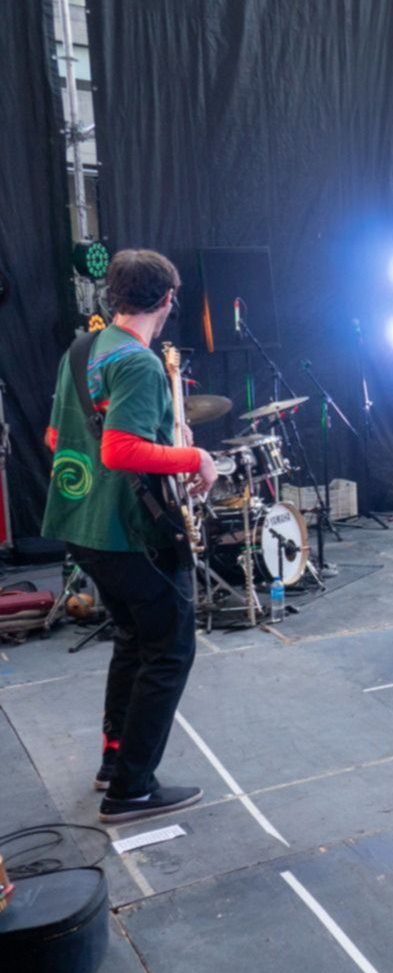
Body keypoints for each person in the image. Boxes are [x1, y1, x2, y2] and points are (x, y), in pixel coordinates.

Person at [42, 249, 217, 823]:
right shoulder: (139, 364)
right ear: (168, 298)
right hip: (127, 533)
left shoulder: (83, 349)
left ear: (113, 295)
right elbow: (119, 451)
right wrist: (195, 457)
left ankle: (114, 764)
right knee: (170, 650)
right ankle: (132, 790)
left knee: (133, 642)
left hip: (79, 523)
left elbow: (54, 437)